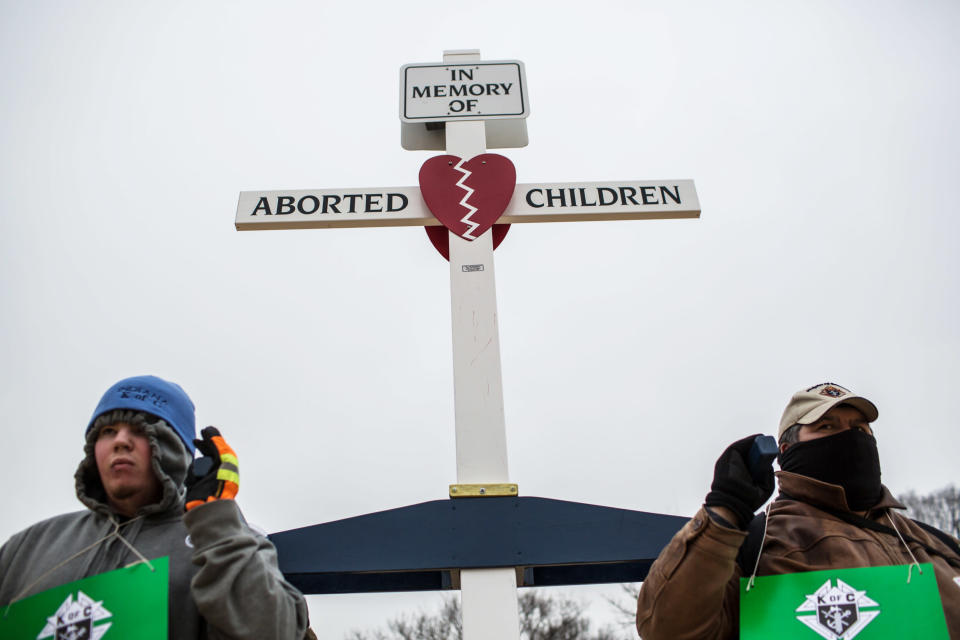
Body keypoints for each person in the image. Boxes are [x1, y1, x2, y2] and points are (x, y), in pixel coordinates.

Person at [635, 382, 960, 639]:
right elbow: (669, 630)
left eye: (860, 429)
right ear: (788, 450)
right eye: (828, 427)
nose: (850, 437)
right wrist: (725, 510)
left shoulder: (935, 542)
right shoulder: (755, 544)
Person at [0, 375, 312, 639]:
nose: (121, 441)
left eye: (141, 429)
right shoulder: (28, 546)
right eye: (108, 432)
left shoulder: (226, 541)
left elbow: (273, 631)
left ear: (175, 450)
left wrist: (217, 518)